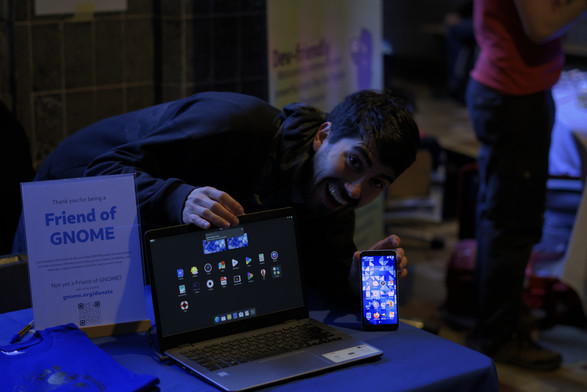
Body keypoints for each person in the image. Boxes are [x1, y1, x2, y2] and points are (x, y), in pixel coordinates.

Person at [12, 89, 420, 303]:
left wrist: (351, 280)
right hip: (69, 199)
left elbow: (323, 271)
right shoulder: (230, 124)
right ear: (324, 136)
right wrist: (178, 197)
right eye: (355, 162)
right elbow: (101, 172)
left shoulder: (329, 195)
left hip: (147, 233)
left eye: (377, 183)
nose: (355, 189)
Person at [465, 0, 587, 370]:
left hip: (513, 90)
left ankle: (500, 318)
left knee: (506, 218)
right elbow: (541, 25)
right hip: (513, 96)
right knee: (512, 225)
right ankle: (498, 336)